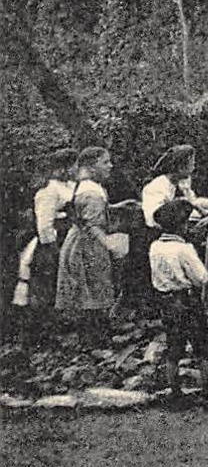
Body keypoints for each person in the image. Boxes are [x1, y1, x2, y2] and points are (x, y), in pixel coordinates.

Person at [148, 198, 208, 407]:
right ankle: (206, 391)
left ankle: (175, 391)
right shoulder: (184, 249)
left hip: (165, 300)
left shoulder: (155, 246)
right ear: (182, 225)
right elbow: (202, 277)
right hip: (186, 299)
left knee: (174, 346)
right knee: (202, 345)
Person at [56, 147, 117, 346]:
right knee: (91, 286)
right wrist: (110, 244)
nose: (110, 166)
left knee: (90, 287)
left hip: (82, 241)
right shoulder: (90, 191)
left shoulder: (87, 186)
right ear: (91, 166)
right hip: (87, 245)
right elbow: (92, 224)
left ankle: (93, 338)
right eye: (105, 162)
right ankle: (94, 340)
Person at [137, 145, 204, 316]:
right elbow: (154, 218)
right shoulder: (157, 187)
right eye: (191, 163)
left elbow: (191, 203)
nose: (194, 167)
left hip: (181, 232)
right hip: (159, 236)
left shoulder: (182, 183)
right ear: (180, 166)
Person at [28, 147, 79, 318]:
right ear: (63, 167)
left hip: (71, 236)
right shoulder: (48, 190)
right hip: (54, 241)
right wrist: (52, 248)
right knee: (49, 283)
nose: (76, 170)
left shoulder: (71, 185)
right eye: (73, 166)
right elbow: (44, 224)